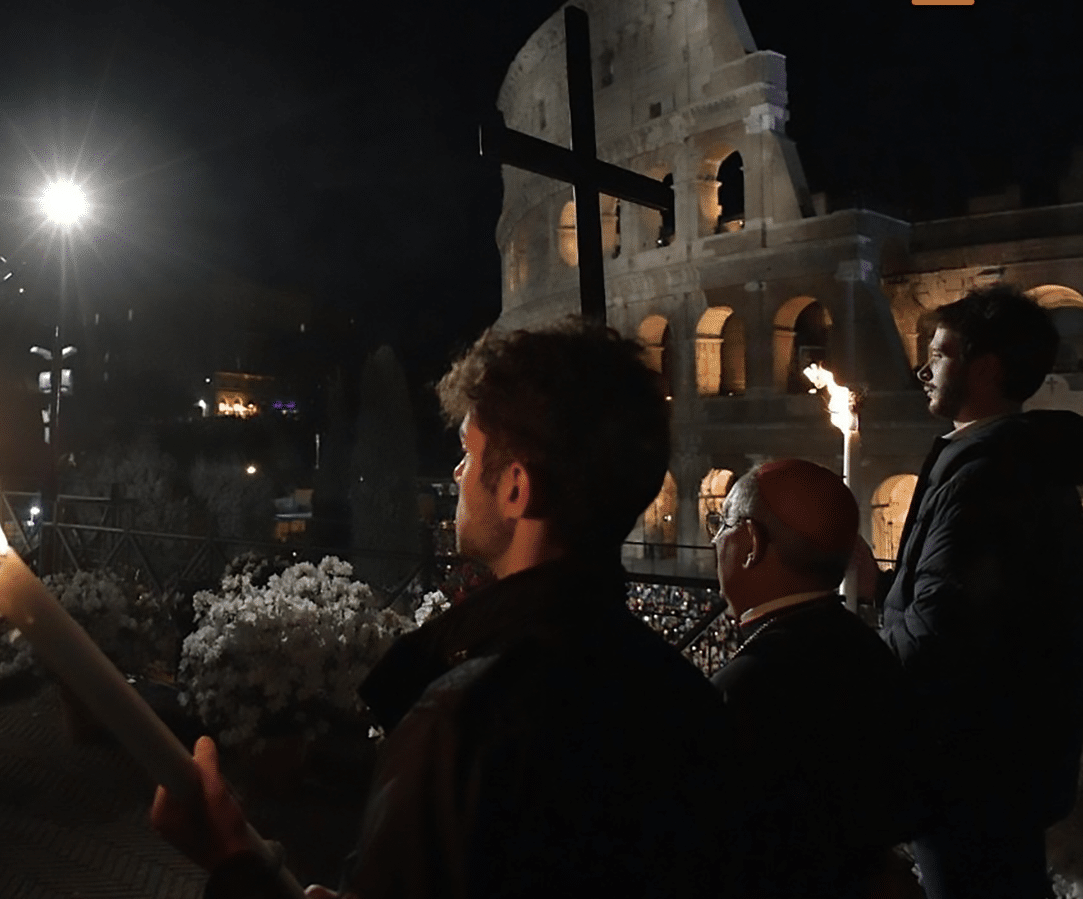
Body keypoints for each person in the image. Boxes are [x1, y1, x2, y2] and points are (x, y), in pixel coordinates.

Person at [152, 320, 740, 898]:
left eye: (467, 451)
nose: (456, 473)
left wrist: (230, 863)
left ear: (515, 487)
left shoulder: (467, 721)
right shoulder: (691, 702)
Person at [857, 285, 1083, 899]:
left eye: (940, 351)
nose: (924, 367)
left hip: (970, 762)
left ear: (985, 368)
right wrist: (877, 583)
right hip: (1003, 756)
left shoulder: (987, 475)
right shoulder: (1009, 459)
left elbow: (942, 631)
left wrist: (865, 663)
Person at [711, 459, 918, 897]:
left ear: (750, 542)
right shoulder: (872, 653)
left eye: (722, 523)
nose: (714, 539)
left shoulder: (744, 690)